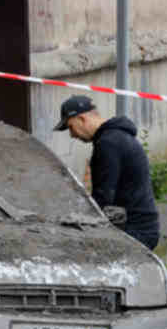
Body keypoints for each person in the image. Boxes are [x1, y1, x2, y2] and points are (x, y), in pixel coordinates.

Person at [55, 95, 160, 249]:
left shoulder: (107, 144)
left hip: (134, 231)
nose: (72, 135)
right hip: (144, 228)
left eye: (71, 127)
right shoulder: (118, 137)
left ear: (82, 119)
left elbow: (102, 199)